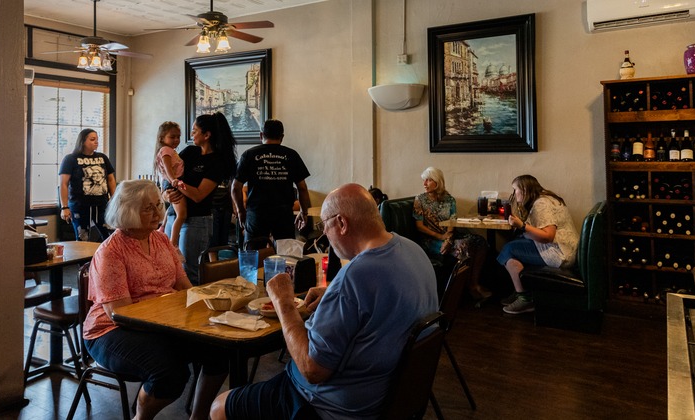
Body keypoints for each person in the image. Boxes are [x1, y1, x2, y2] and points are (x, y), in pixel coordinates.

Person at [210, 183, 438, 420]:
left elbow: (311, 369)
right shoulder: (412, 250)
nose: (324, 235)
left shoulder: (355, 276)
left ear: (341, 223)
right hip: (390, 396)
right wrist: (333, 298)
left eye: (324, 225)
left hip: (333, 406)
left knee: (219, 407)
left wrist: (283, 302)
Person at [83, 180, 227, 420]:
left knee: (219, 349)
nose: (158, 212)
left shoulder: (160, 240)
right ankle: (141, 417)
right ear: (127, 211)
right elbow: (121, 313)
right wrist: (169, 315)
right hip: (110, 330)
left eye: (158, 205)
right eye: (147, 208)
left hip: (162, 321)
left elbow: (184, 288)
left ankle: (199, 416)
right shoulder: (111, 251)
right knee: (169, 372)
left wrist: (213, 305)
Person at [165, 112, 237, 284]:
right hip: (172, 214)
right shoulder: (189, 152)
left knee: (189, 270)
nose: (191, 134)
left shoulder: (217, 162)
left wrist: (177, 185)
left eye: (195, 130)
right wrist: (166, 193)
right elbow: (169, 176)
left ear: (207, 135)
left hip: (196, 221)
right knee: (169, 266)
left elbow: (198, 195)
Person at [497, 174, 579, 315]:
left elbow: (548, 236)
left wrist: (522, 225)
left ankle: (525, 298)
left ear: (524, 189)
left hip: (559, 253)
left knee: (508, 248)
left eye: (515, 190)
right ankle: (521, 293)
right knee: (513, 246)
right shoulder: (546, 198)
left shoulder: (542, 204)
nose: (514, 194)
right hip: (566, 249)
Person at [413, 167, 490, 300]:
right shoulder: (420, 200)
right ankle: (457, 292)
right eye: (424, 180)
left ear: (438, 182)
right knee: (463, 246)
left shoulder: (449, 199)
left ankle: (473, 284)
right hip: (430, 240)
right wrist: (441, 237)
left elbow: (451, 223)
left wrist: (447, 240)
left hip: (449, 236)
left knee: (480, 241)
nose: (424, 184)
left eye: (429, 180)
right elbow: (419, 226)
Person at [231, 119, 311, 242]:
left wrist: (240, 211)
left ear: (261, 135)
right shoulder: (291, 155)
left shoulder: (249, 155)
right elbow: (302, 187)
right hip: (283, 213)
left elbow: (235, 188)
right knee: (285, 254)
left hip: (256, 213)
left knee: (254, 254)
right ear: (282, 137)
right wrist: (303, 212)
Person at [59, 128, 116, 241]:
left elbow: (110, 180)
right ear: (83, 141)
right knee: (82, 237)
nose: (96, 142)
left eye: (97, 139)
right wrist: (64, 207)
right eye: (92, 139)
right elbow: (63, 184)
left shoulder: (103, 157)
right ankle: (84, 259)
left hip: (102, 205)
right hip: (80, 206)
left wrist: (114, 201)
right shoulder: (70, 159)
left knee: (110, 236)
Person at [153, 121, 186, 247]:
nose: (176, 140)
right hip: (174, 182)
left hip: (172, 182)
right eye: (172, 137)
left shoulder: (170, 150)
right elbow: (167, 168)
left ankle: (163, 227)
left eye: (178, 137)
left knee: (173, 210)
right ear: (162, 138)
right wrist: (173, 180)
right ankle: (173, 243)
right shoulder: (166, 150)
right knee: (182, 214)